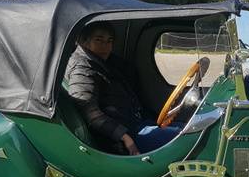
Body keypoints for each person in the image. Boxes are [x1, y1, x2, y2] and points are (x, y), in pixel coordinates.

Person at [64, 22, 178, 154]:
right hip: (121, 139)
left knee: (186, 130)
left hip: (136, 124)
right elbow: (89, 112)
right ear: (84, 42)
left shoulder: (109, 64)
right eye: (99, 40)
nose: (105, 46)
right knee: (186, 138)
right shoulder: (82, 69)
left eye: (109, 41)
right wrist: (125, 137)